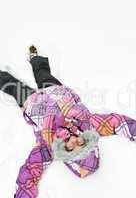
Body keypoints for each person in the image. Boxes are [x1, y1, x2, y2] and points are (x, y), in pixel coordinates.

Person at [0, 46, 136, 198]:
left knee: (12, 85)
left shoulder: (48, 146)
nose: (74, 142)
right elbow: (116, 122)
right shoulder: (88, 124)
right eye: (81, 143)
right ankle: (34, 58)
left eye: (72, 148)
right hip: (55, 91)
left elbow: (31, 169)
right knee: (42, 73)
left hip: (33, 104)